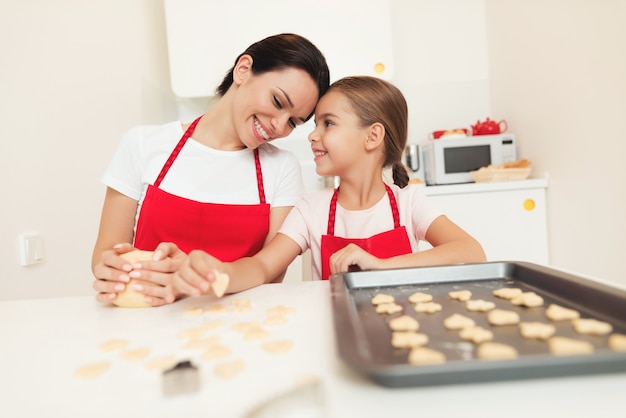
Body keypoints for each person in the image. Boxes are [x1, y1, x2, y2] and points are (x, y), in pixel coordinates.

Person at [172, 76, 487, 296]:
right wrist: (221, 272)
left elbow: (471, 252)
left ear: (372, 136)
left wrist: (381, 265)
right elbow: (262, 266)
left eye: (329, 123)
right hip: (337, 336)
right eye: (314, 125)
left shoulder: (409, 203)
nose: (312, 135)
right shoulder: (312, 209)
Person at [91, 33, 330, 306]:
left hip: (235, 325)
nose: (279, 126)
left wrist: (202, 280)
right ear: (243, 70)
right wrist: (109, 267)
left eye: (293, 122)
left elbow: (270, 273)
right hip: (147, 318)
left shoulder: (282, 168)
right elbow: (106, 250)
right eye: (277, 102)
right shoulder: (143, 145)